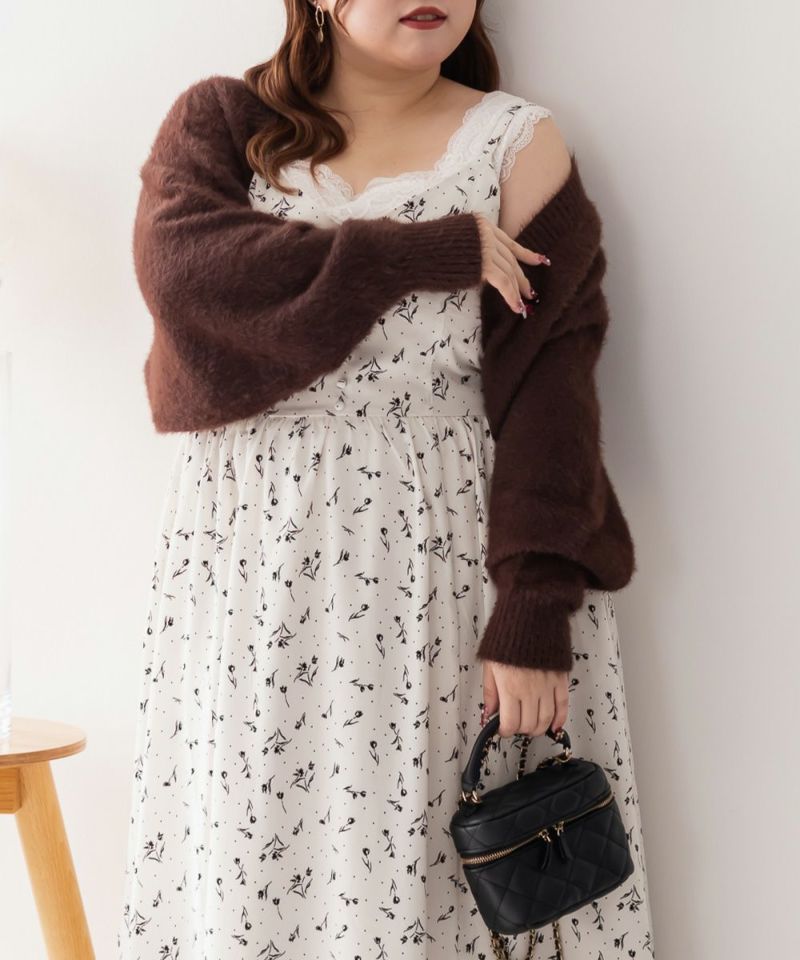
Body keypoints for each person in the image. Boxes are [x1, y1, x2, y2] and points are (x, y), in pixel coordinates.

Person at [117, 1, 656, 957]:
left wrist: (535, 607)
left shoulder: (512, 141)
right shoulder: (224, 121)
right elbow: (188, 280)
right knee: (251, 857)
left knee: (432, 869)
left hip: (436, 563)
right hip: (250, 571)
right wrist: (422, 250)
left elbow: (552, 391)